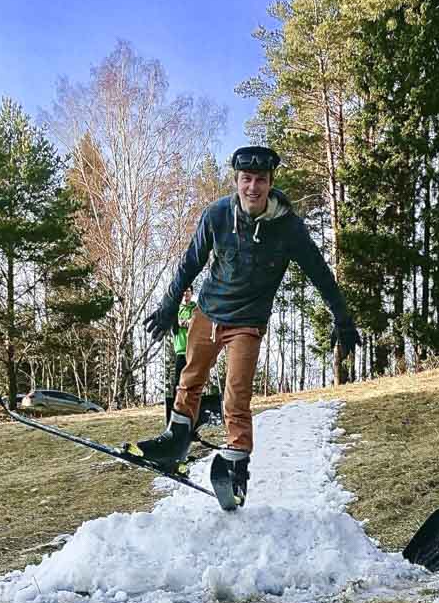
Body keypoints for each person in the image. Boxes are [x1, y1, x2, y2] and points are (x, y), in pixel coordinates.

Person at [136, 145, 359, 504]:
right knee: (190, 379)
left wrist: (342, 318)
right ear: (236, 181)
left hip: (248, 322)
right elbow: (189, 264)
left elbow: (320, 274)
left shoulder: (288, 228)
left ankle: (236, 470)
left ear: (270, 183)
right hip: (208, 312)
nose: (252, 188)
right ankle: (175, 441)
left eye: (260, 180)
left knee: (235, 396)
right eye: (245, 180)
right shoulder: (217, 215)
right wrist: (168, 306)